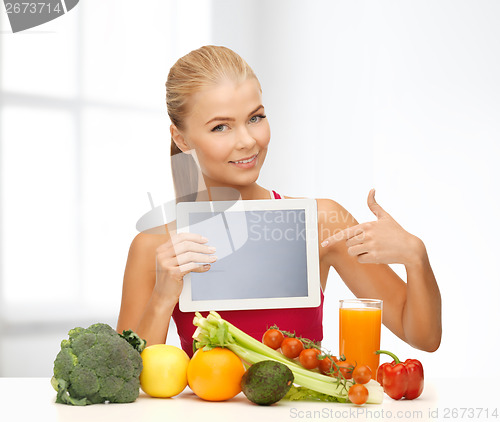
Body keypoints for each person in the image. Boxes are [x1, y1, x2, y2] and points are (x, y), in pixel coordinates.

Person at [116, 45, 441, 357]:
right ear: (181, 138)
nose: (247, 141)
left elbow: (423, 337)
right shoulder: (154, 248)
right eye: (220, 127)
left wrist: (415, 256)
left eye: (255, 118)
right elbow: (122, 377)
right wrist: (162, 298)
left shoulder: (322, 221)